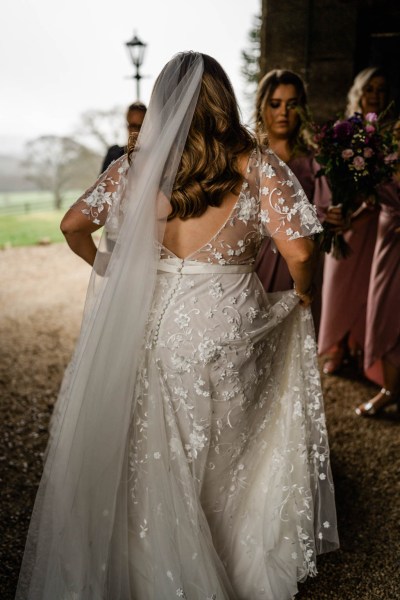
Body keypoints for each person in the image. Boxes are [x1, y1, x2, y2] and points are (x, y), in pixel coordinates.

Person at [16, 52, 338, 600]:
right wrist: (304, 292)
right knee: (226, 442)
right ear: (225, 100)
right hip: (225, 320)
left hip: (148, 320)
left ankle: (152, 565)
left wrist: (113, 270)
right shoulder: (256, 164)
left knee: (151, 443)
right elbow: (302, 249)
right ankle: (227, 553)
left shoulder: (138, 164)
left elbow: (73, 225)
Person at [253, 69, 338, 335]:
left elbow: (325, 213)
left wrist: (333, 218)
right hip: (254, 259)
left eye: (292, 105)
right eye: (275, 104)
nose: (283, 113)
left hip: (298, 264)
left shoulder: (313, 160)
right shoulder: (249, 156)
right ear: (262, 106)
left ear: (302, 109)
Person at [318, 67, 390, 375]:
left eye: (380, 89)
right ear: (357, 93)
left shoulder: (390, 136)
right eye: (368, 88)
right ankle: (336, 345)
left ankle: (360, 346)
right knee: (338, 283)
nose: (374, 94)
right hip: (344, 221)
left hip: (374, 221)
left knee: (366, 288)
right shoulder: (342, 131)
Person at [356, 121, 400, 416]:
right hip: (388, 245)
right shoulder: (381, 157)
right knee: (383, 311)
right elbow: (369, 203)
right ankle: (390, 389)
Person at [100, 101, 147, 172]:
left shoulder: (154, 156)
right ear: (128, 126)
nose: (137, 131)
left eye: (141, 126)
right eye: (133, 126)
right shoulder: (114, 153)